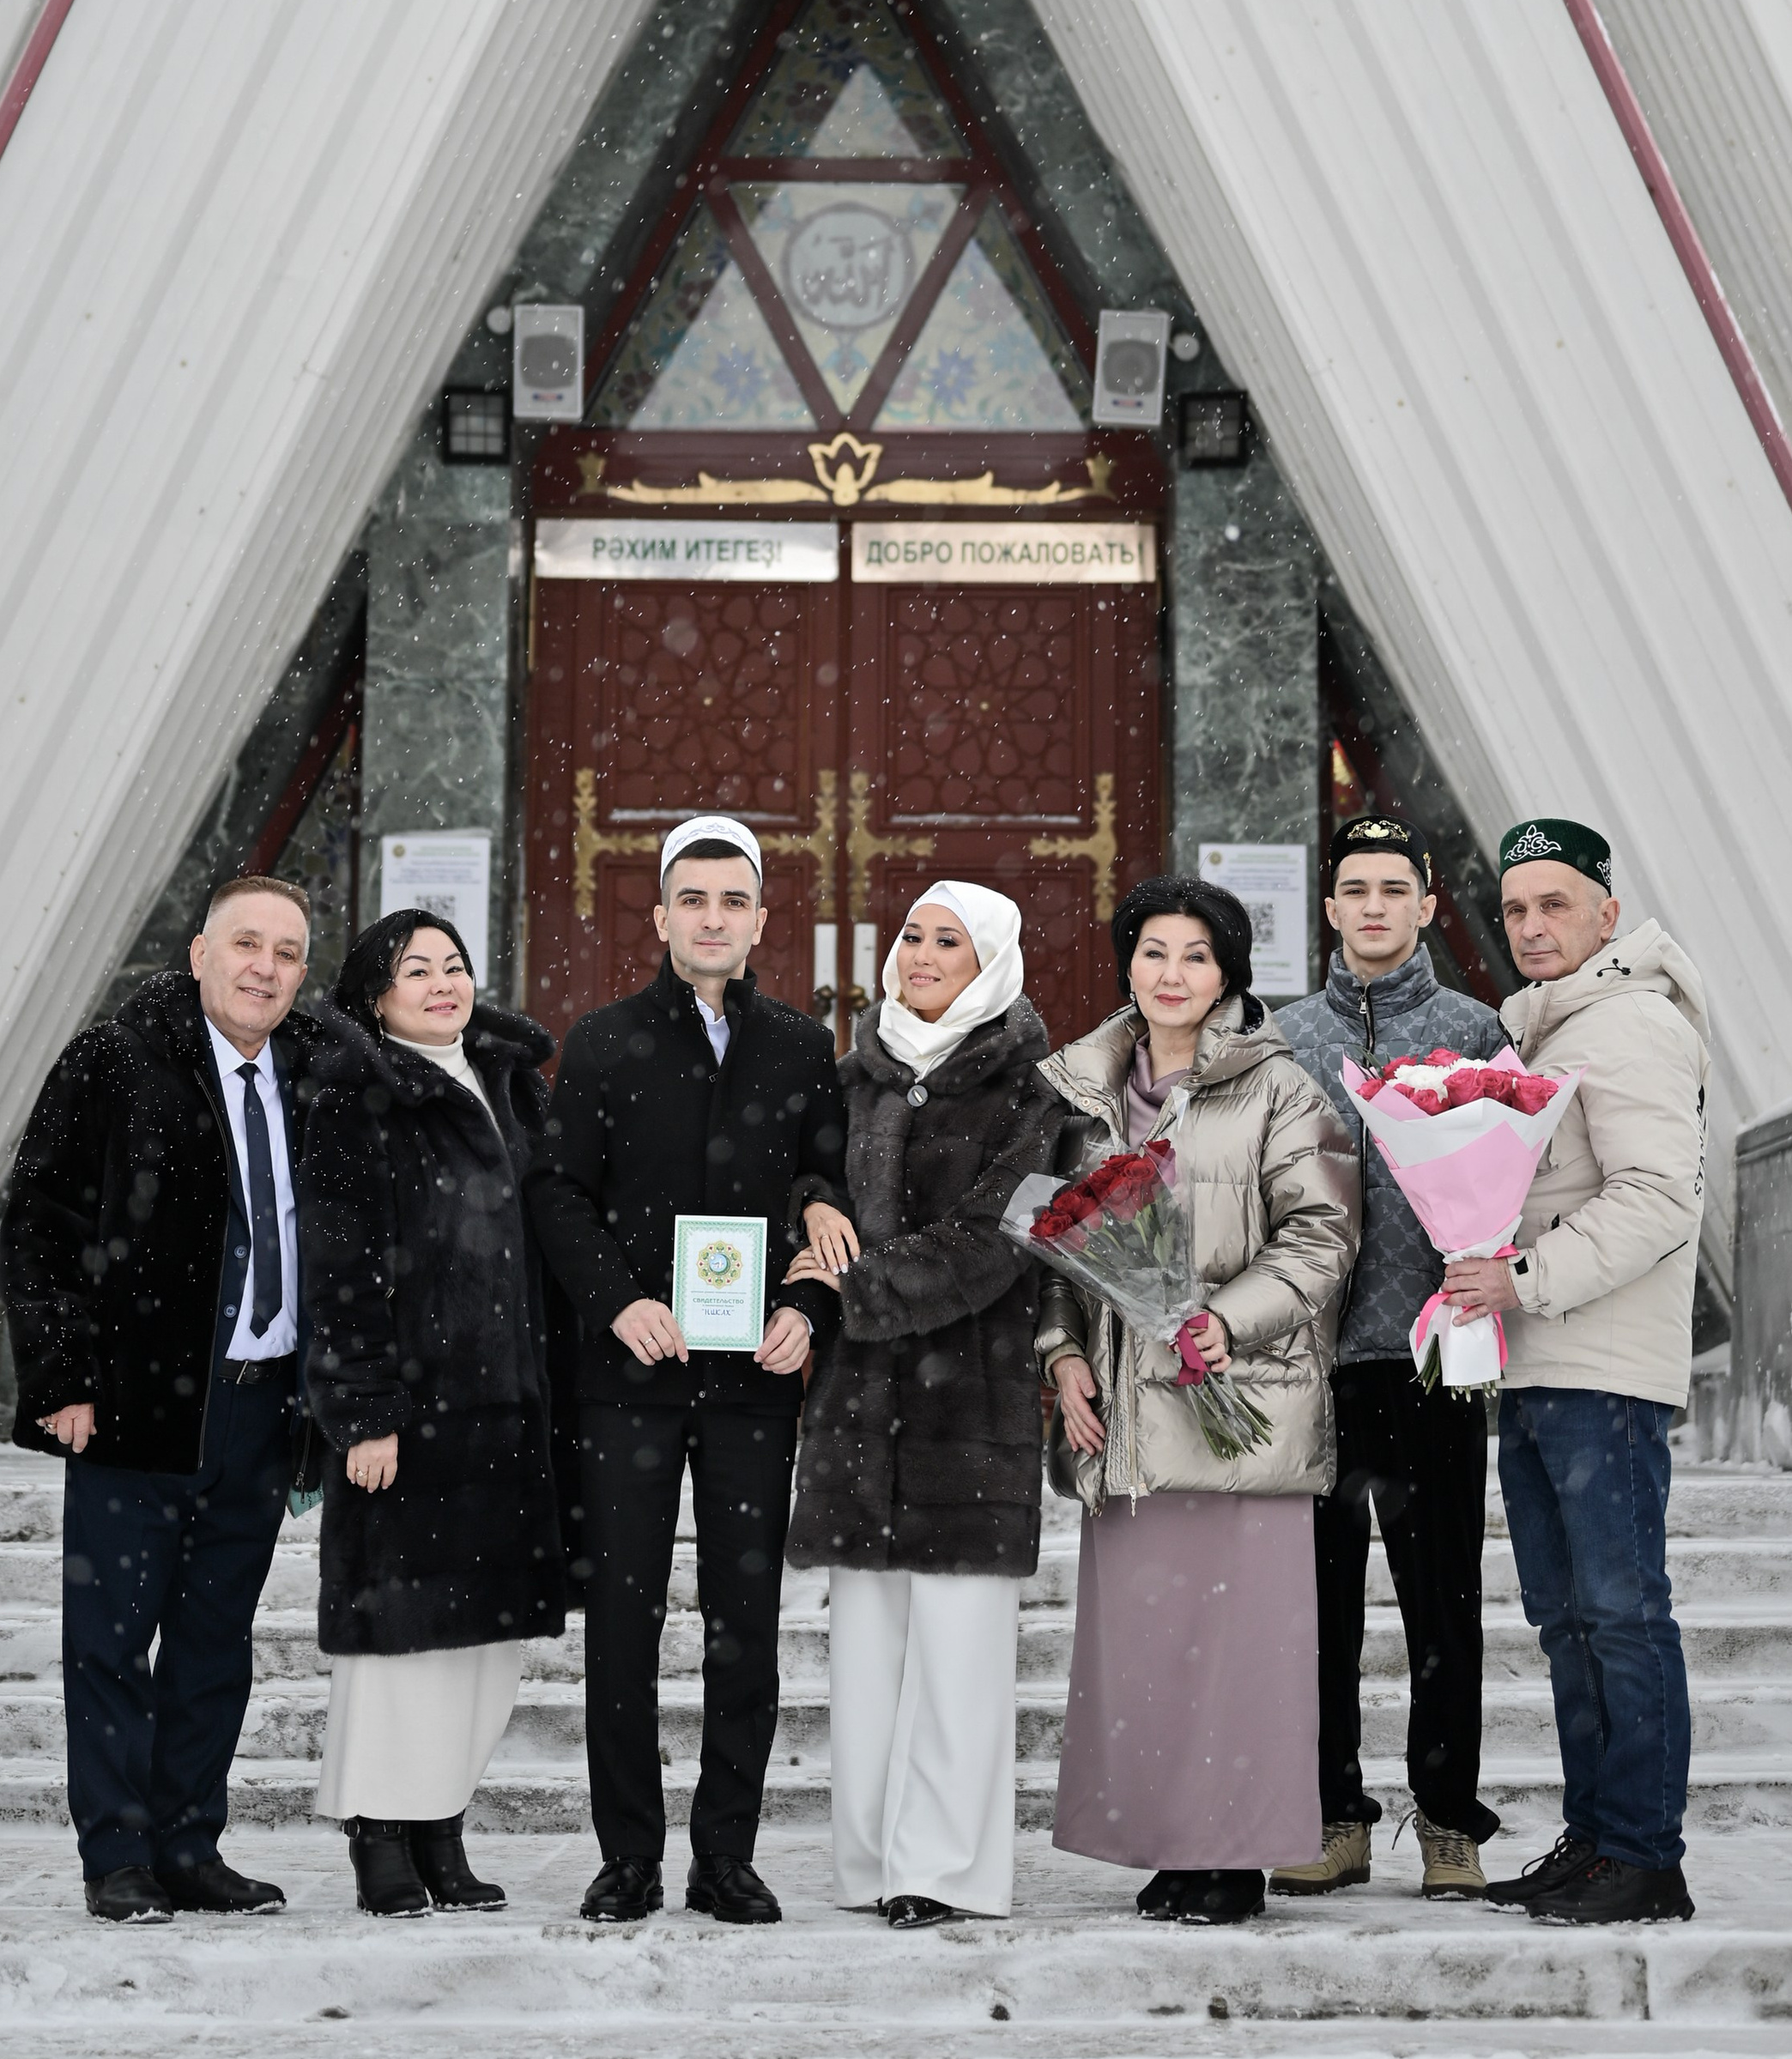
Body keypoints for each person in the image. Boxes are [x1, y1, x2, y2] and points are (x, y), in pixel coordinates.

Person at [526, 813, 847, 1926]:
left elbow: (827, 1190)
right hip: (633, 1379)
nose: (713, 918)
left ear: (761, 919)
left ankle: (727, 1855)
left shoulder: (803, 1049)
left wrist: (808, 1304)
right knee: (623, 1615)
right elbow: (558, 1193)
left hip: (753, 1376)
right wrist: (622, 1301)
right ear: (661, 915)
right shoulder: (605, 1041)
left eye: (733, 900)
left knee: (743, 1618)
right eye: (693, 899)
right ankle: (628, 1856)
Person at [1038, 876, 1359, 1926]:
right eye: (1152, 953)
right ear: (1127, 964)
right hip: (1129, 1413)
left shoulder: (1279, 1090)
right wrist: (1059, 1356)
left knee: (1241, 1649)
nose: (1169, 975)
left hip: (1235, 1398)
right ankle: (1172, 1842)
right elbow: (1057, 1250)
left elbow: (1319, 1237)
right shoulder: (1083, 1089)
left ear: (1227, 975)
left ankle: (1233, 1854)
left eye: (1194, 957)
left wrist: (1227, 1318)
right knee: (1150, 1641)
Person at [2, 875, 319, 1923]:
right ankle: (119, 1856)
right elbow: (41, 1215)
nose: (263, 966)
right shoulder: (117, 1059)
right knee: (110, 1640)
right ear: (198, 953)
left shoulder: (315, 1072)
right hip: (138, 1404)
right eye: (245, 944)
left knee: (212, 1644)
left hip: (260, 1407)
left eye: (285, 951)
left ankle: (190, 1843)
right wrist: (60, 1378)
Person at [1444, 819, 1707, 1928]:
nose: (1532, 926)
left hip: (1603, 1366)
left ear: (1607, 914)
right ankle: (1596, 1839)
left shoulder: (1632, 1023)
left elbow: (1658, 1196)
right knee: (1568, 1617)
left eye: (1556, 904)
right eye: (1514, 909)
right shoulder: (1546, 1033)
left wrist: (1526, 1274)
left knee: (1619, 1612)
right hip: (1545, 1361)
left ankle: (1644, 1851)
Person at [780, 882, 1056, 1925]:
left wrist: (856, 1289)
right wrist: (808, 1201)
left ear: (990, 961)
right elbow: (806, 1175)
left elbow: (1000, 1241)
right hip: (859, 1411)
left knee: (958, 1657)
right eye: (911, 936)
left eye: (949, 941)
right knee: (867, 1660)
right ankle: (867, 1861)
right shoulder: (855, 1074)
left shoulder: (1035, 1092)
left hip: (967, 1408)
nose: (923, 955)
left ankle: (939, 1868)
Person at [298, 911, 567, 1916]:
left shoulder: (509, 1083)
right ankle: (379, 1833)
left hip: (508, 1413)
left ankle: (441, 1826)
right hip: (412, 1414)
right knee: (396, 1644)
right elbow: (341, 1262)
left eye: (454, 965)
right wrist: (364, 1407)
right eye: (418, 969)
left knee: (481, 1643)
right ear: (377, 994)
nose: (443, 982)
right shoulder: (356, 1095)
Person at [1272, 813, 1504, 1899]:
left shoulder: (1473, 1029)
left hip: (1430, 1356)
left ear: (1423, 903)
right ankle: (1332, 1812)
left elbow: (1519, 1179)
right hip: (1310, 1364)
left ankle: (1449, 1820)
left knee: (1440, 1599)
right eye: (1352, 888)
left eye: (1391, 889)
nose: (1372, 906)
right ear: (1329, 908)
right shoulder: (1277, 1038)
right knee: (1314, 1605)